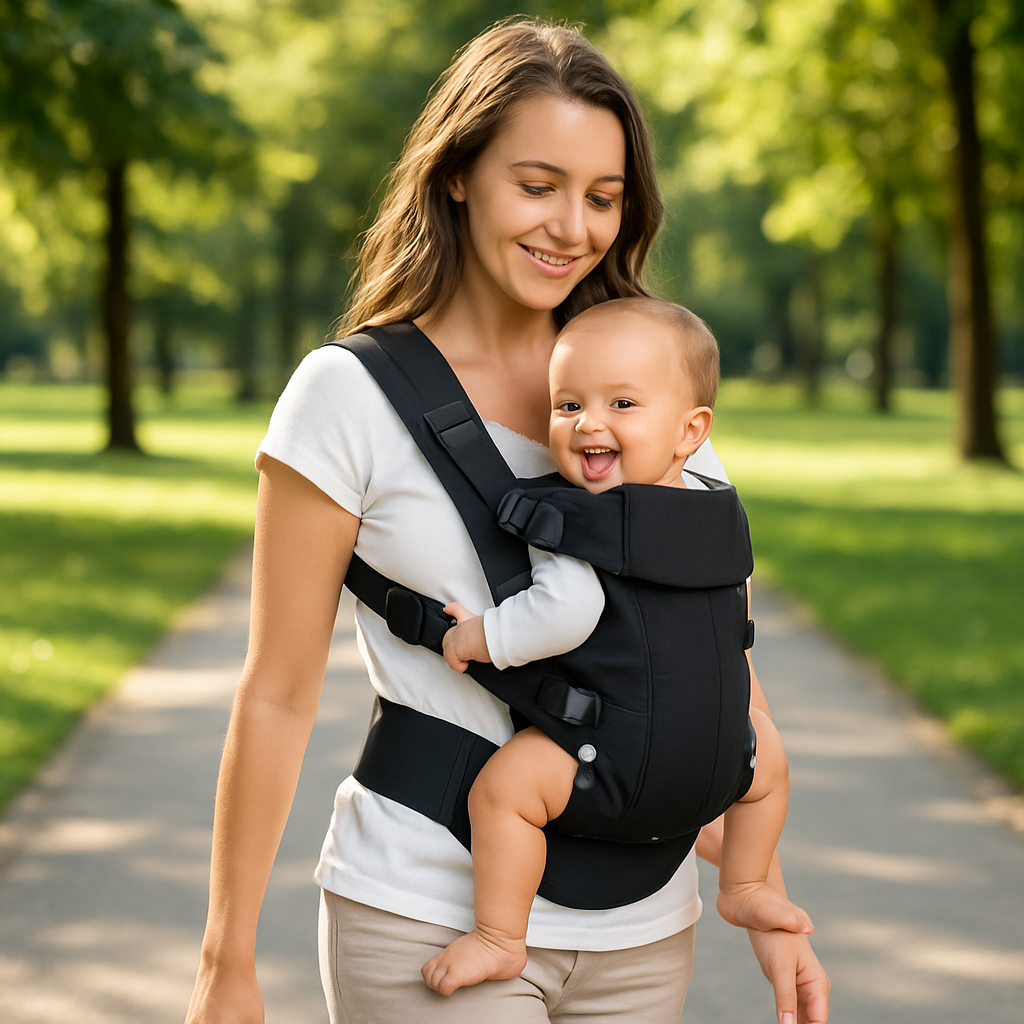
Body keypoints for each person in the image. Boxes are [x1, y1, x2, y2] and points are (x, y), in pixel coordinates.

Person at [185, 18, 830, 1024]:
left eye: (602, 197)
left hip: (644, 930)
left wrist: (768, 901)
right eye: (537, 186)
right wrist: (225, 961)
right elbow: (276, 692)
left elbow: (709, 666)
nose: (572, 227)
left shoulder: (646, 385)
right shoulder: (346, 397)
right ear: (457, 175)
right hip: (425, 910)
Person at [421, 296, 813, 998]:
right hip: (721, 755)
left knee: (504, 794)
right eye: (567, 405)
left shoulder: (580, 521)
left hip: (607, 755)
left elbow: (563, 614)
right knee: (773, 761)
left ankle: (500, 936)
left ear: (691, 429)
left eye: (621, 404)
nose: (588, 423)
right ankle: (746, 883)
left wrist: (478, 634)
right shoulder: (717, 508)